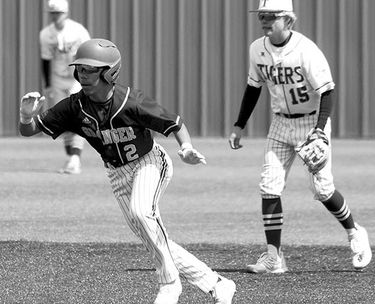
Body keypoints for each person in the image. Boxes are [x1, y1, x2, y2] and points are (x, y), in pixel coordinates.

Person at [19, 38, 236, 304]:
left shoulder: (131, 101)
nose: (82, 75)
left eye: (90, 69)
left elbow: (175, 124)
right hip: (116, 173)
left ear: (109, 72)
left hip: (149, 163)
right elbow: (30, 130)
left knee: (142, 212)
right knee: (152, 235)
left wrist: (187, 148)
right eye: (80, 69)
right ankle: (217, 284)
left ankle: (169, 285)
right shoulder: (74, 107)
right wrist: (26, 116)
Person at [228, 0, 372, 273]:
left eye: (271, 16)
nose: (264, 21)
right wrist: (239, 124)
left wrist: (320, 130)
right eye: (262, 16)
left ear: (289, 20)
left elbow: (327, 91)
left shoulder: (306, 50)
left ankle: (354, 232)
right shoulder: (256, 49)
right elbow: (253, 87)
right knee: (269, 186)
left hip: (311, 124)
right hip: (280, 124)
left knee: (322, 190)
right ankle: (273, 257)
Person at [39, 0, 90, 174]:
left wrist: (89, 79)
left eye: (59, 13)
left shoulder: (78, 30)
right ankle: (71, 159)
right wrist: (47, 85)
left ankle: (75, 159)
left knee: (77, 117)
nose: (56, 16)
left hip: (76, 79)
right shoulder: (46, 34)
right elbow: (45, 60)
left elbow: (89, 54)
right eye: (53, 13)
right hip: (58, 79)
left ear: (66, 13)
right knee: (64, 120)